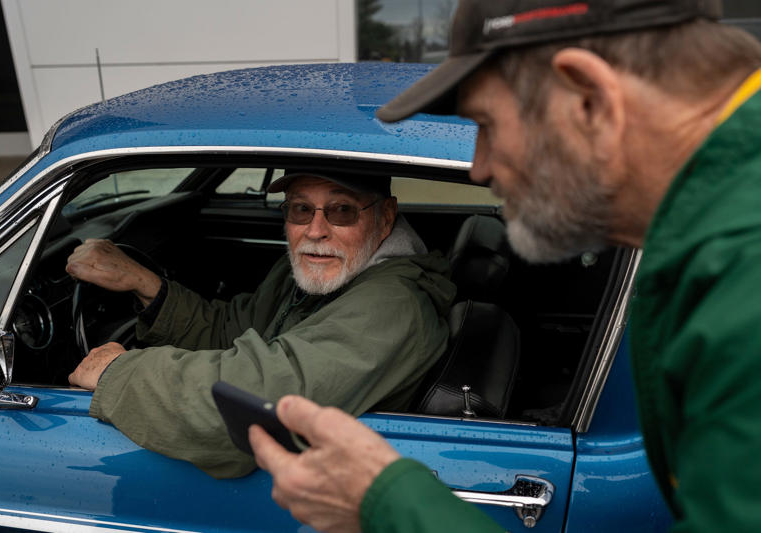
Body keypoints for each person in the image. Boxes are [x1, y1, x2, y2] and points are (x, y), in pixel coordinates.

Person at [250, 0, 761, 531]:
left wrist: (386, 503)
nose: (479, 167)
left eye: (487, 125)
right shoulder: (712, 232)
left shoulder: (744, 281)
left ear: (588, 98)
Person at [66, 170, 456, 478]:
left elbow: (260, 402)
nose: (315, 230)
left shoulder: (392, 306)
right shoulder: (313, 275)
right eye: (301, 209)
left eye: (341, 210)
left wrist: (119, 373)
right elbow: (231, 331)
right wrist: (146, 285)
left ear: (385, 217)